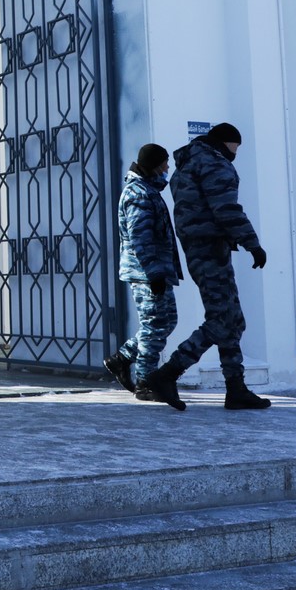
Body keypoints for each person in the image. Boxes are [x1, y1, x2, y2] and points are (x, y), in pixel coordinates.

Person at [139, 123, 272, 412]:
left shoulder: (188, 163)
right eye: (237, 146)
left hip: (201, 248)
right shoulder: (214, 163)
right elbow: (226, 208)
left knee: (232, 318)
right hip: (210, 248)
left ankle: (236, 388)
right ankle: (167, 374)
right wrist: (252, 243)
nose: (237, 152)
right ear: (227, 142)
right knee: (222, 319)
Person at [105, 143, 182, 399]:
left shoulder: (148, 189)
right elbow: (140, 237)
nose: (167, 168)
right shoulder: (138, 193)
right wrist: (154, 273)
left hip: (155, 270)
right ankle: (145, 382)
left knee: (166, 321)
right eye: (164, 164)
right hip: (146, 273)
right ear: (154, 166)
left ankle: (121, 359)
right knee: (155, 325)